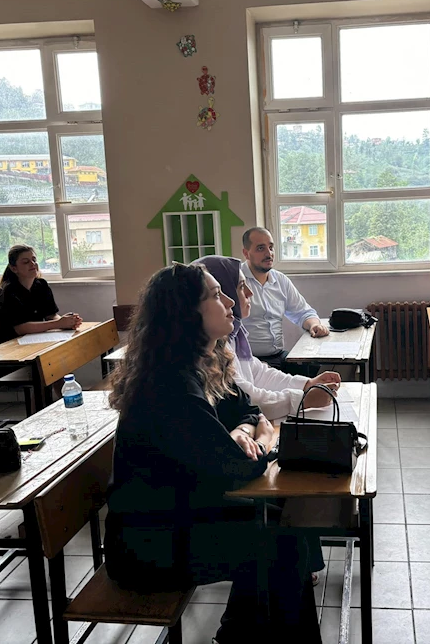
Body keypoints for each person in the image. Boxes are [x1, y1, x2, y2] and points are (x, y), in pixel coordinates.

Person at [103, 263, 321, 644]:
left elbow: (247, 410)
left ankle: (237, 630)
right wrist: (263, 440)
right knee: (282, 539)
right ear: (187, 313)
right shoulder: (169, 384)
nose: (229, 302)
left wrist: (244, 429)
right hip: (147, 544)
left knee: (286, 522)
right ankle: (239, 633)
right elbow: (239, 466)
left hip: (180, 515)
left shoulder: (199, 362)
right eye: (216, 296)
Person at [194, 255, 341, 423]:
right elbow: (247, 400)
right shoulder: (211, 347)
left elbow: (258, 373)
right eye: (241, 287)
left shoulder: (233, 336)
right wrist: (303, 399)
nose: (250, 292)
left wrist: (307, 384)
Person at [240, 227, 328, 376]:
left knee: (313, 368)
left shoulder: (280, 280)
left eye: (271, 247)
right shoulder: (237, 280)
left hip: (278, 356)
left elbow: (303, 312)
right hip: (250, 361)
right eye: (261, 248)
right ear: (246, 253)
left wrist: (314, 325)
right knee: (297, 383)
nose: (269, 253)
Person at [0, 244, 82, 348]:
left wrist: (68, 322)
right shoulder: (7, 291)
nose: (33, 264)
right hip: (4, 346)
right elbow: (20, 328)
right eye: (26, 262)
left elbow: (51, 315)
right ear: (14, 268)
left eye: (34, 260)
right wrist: (58, 324)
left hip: (30, 342)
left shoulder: (41, 285)